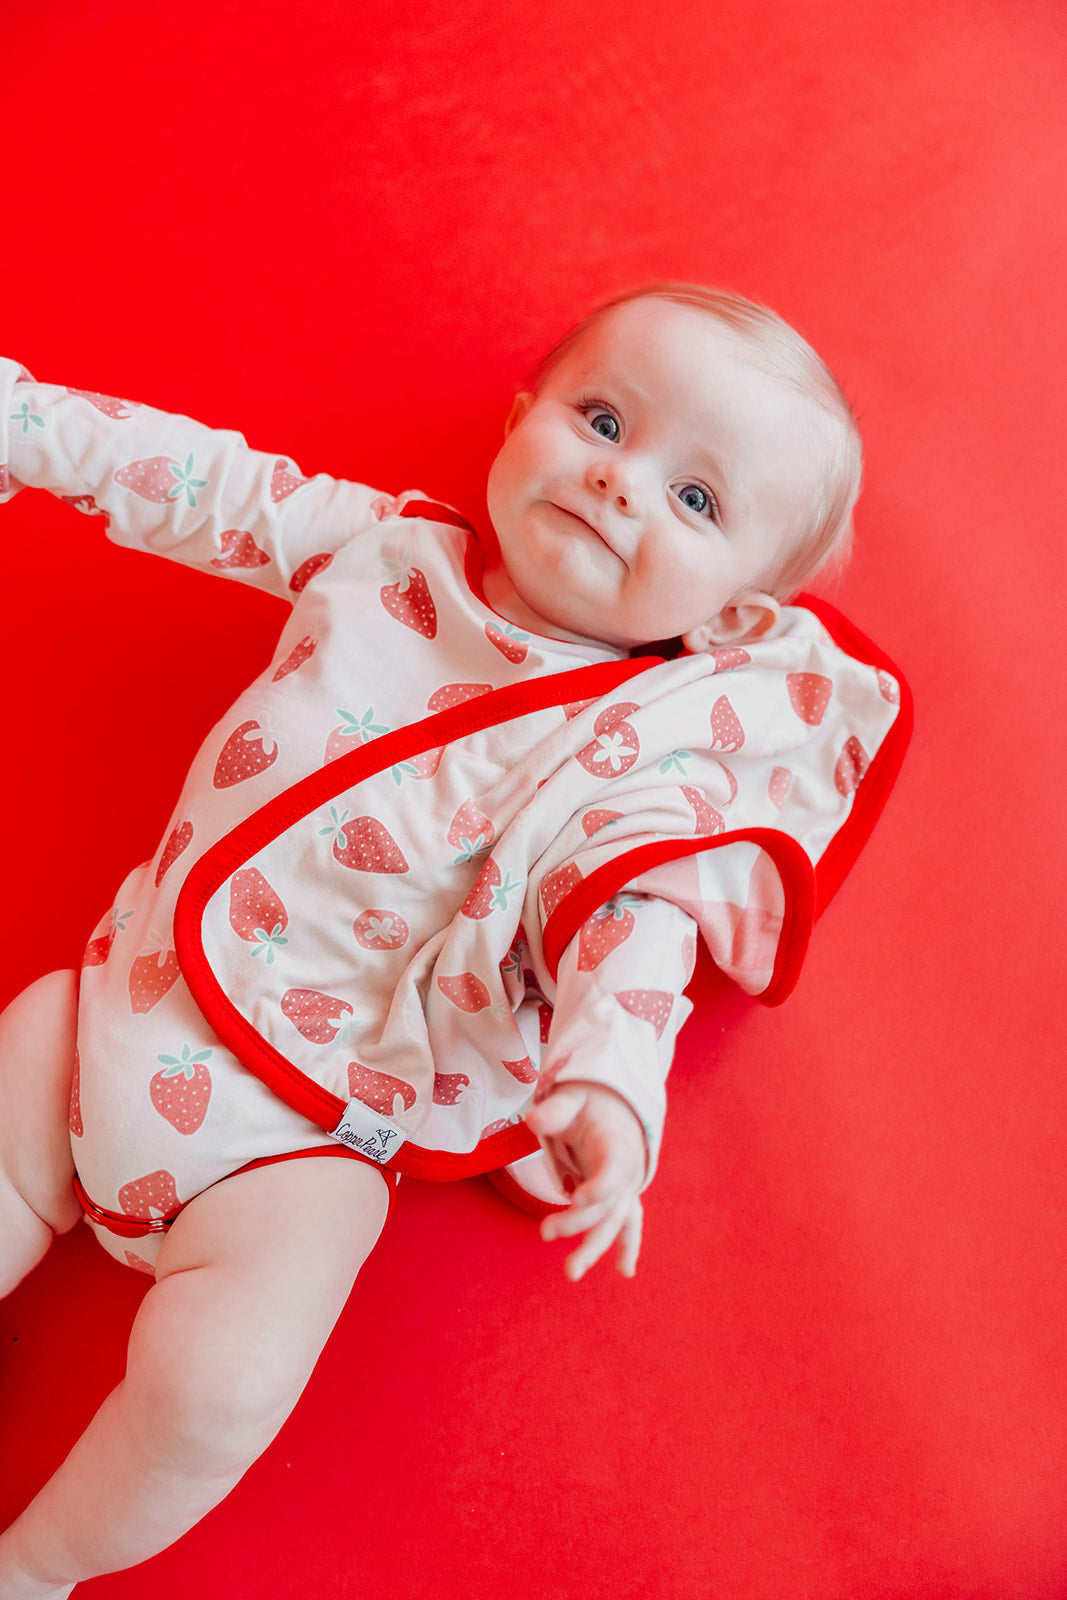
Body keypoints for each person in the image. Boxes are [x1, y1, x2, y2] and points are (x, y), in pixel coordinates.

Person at [0, 284, 906, 1597]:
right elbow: (199, 479)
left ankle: (37, 1568)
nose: (620, 481)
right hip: (117, 1007)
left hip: (306, 1140)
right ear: (521, 417)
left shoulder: (633, 768)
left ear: (735, 620)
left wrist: (610, 1087)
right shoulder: (379, 551)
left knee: (221, 1382)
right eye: (603, 420)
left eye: (696, 499)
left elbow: (630, 931)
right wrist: (26, 425)